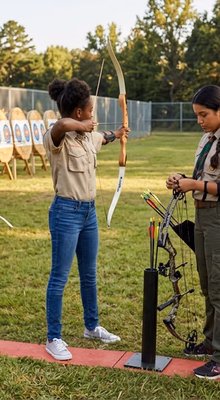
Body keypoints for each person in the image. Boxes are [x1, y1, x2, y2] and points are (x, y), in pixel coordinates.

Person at [165, 85, 220, 380]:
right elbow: (204, 177)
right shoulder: (208, 138)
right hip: (204, 218)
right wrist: (183, 179)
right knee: (208, 286)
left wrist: (194, 185)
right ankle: (213, 342)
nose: (200, 120)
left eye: (204, 115)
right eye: (197, 115)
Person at [43, 77, 129, 361]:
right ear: (79, 112)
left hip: (88, 213)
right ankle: (53, 337)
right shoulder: (58, 138)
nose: (93, 115)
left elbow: (103, 136)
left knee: (89, 274)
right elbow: (62, 125)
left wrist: (118, 133)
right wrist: (83, 126)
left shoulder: (89, 136)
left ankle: (92, 326)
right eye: (90, 110)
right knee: (59, 277)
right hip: (65, 213)